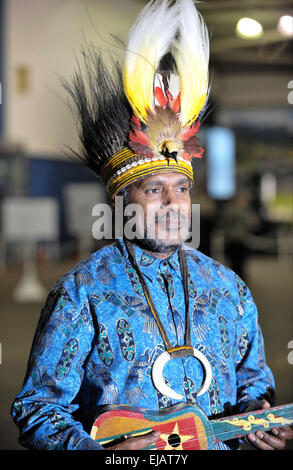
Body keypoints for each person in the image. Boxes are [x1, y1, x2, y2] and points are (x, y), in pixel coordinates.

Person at [11, 0, 292, 451]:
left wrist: (259, 418)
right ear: (123, 200)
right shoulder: (81, 293)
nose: (172, 204)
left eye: (180, 189)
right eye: (154, 189)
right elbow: (37, 411)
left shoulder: (229, 289)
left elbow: (254, 382)